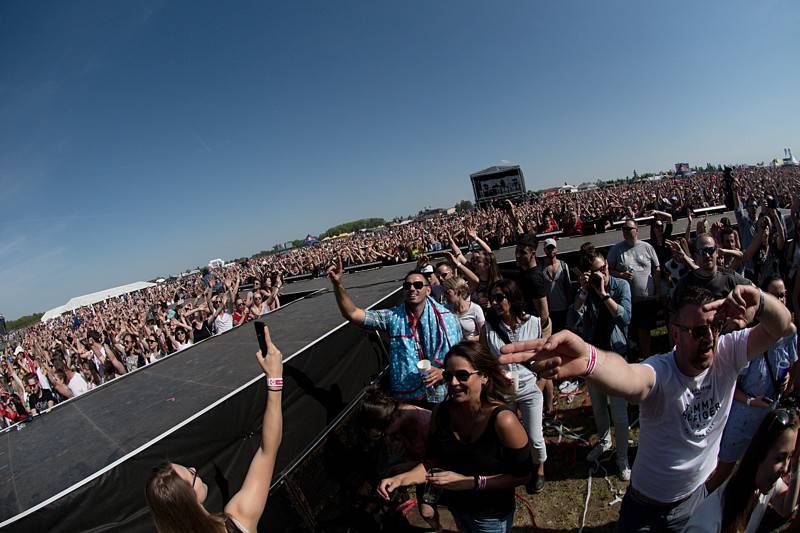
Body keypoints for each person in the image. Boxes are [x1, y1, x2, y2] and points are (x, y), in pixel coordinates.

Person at [498, 283, 793, 532]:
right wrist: (590, 360)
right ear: (675, 334)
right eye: (699, 331)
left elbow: (781, 326)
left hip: (696, 498)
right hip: (646, 509)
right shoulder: (662, 373)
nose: (710, 338)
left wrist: (759, 299)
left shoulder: (728, 353)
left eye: (715, 327)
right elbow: (629, 376)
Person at [377, 341, 533, 533]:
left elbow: (523, 475)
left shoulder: (503, 421)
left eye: (462, 375)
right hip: (457, 507)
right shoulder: (441, 414)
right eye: (448, 375)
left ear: (484, 376)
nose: (453, 383)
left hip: (490, 515)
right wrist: (401, 479)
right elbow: (434, 461)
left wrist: (471, 482)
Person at [145, 323, 283, 533]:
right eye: (190, 473)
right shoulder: (238, 518)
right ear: (189, 497)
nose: (194, 469)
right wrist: (274, 378)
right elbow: (268, 450)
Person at [707, 275, 799, 491]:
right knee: (724, 470)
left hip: (767, 418)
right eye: (775, 296)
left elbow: (792, 365)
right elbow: (731, 387)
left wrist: (786, 382)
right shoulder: (750, 340)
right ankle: (703, 504)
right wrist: (751, 401)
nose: (780, 300)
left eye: (783, 295)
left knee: (753, 470)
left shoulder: (790, 335)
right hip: (742, 419)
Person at [328, 258, 462, 403]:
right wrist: (337, 284)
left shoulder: (447, 318)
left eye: (418, 285)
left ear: (428, 290)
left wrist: (443, 372)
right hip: (407, 395)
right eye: (407, 285)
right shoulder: (393, 317)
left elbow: (460, 355)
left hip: (441, 392)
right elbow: (352, 313)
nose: (412, 289)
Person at [568, 249, 632, 480]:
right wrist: (584, 292)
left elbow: (625, 318)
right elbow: (571, 320)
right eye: (598, 271)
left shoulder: (620, 286)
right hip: (593, 358)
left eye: (604, 267)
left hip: (616, 356)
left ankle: (622, 457)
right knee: (598, 406)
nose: (603, 273)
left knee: (620, 413)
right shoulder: (585, 291)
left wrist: (604, 294)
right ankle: (604, 441)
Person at [683, 409, 800, 533]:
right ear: (759, 453)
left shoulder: (764, 483)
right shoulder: (706, 525)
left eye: (790, 457)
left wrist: (796, 465)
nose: (786, 468)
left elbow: (786, 509)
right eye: (779, 458)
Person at [483, 279, 547, 492]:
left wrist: (542, 381)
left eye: (499, 297)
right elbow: (484, 358)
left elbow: (544, 357)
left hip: (529, 388)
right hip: (503, 392)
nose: (494, 302)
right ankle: (518, 470)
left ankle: (539, 469)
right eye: (491, 298)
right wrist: (495, 375)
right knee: (508, 437)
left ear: (512, 298)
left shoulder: (534, 323)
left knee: (535, 437)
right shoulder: (489, 327)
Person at [607, 219, 661, 358]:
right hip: (627, 299)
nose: (625, 231)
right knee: (629, 330)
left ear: (636, 230)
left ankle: (646, 356)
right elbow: (608, 270)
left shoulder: (647, 247)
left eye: (628, 229)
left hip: (646, 298)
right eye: (623, 229)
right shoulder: (616, 249)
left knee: (645, 330)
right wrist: (621, 275)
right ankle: (631, 355)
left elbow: (656, 268)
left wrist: (658, 289)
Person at [539, 238, 572, 333]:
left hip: (564, 308)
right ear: (545, 250)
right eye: (548, 248)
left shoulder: (563, 265)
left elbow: (568, 287)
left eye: (552, 248)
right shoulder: (541, 268)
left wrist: (570, 307)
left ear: (556, 249)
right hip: (549, 310)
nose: (551, 250)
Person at [442, 276, 485, 341]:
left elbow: (484, 335)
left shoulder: (475, 309)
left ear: (458, 292)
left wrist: (470, 339)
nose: (445, 295)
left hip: (470, 346)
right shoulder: (446, 309)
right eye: (444, 292)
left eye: (447, 292)